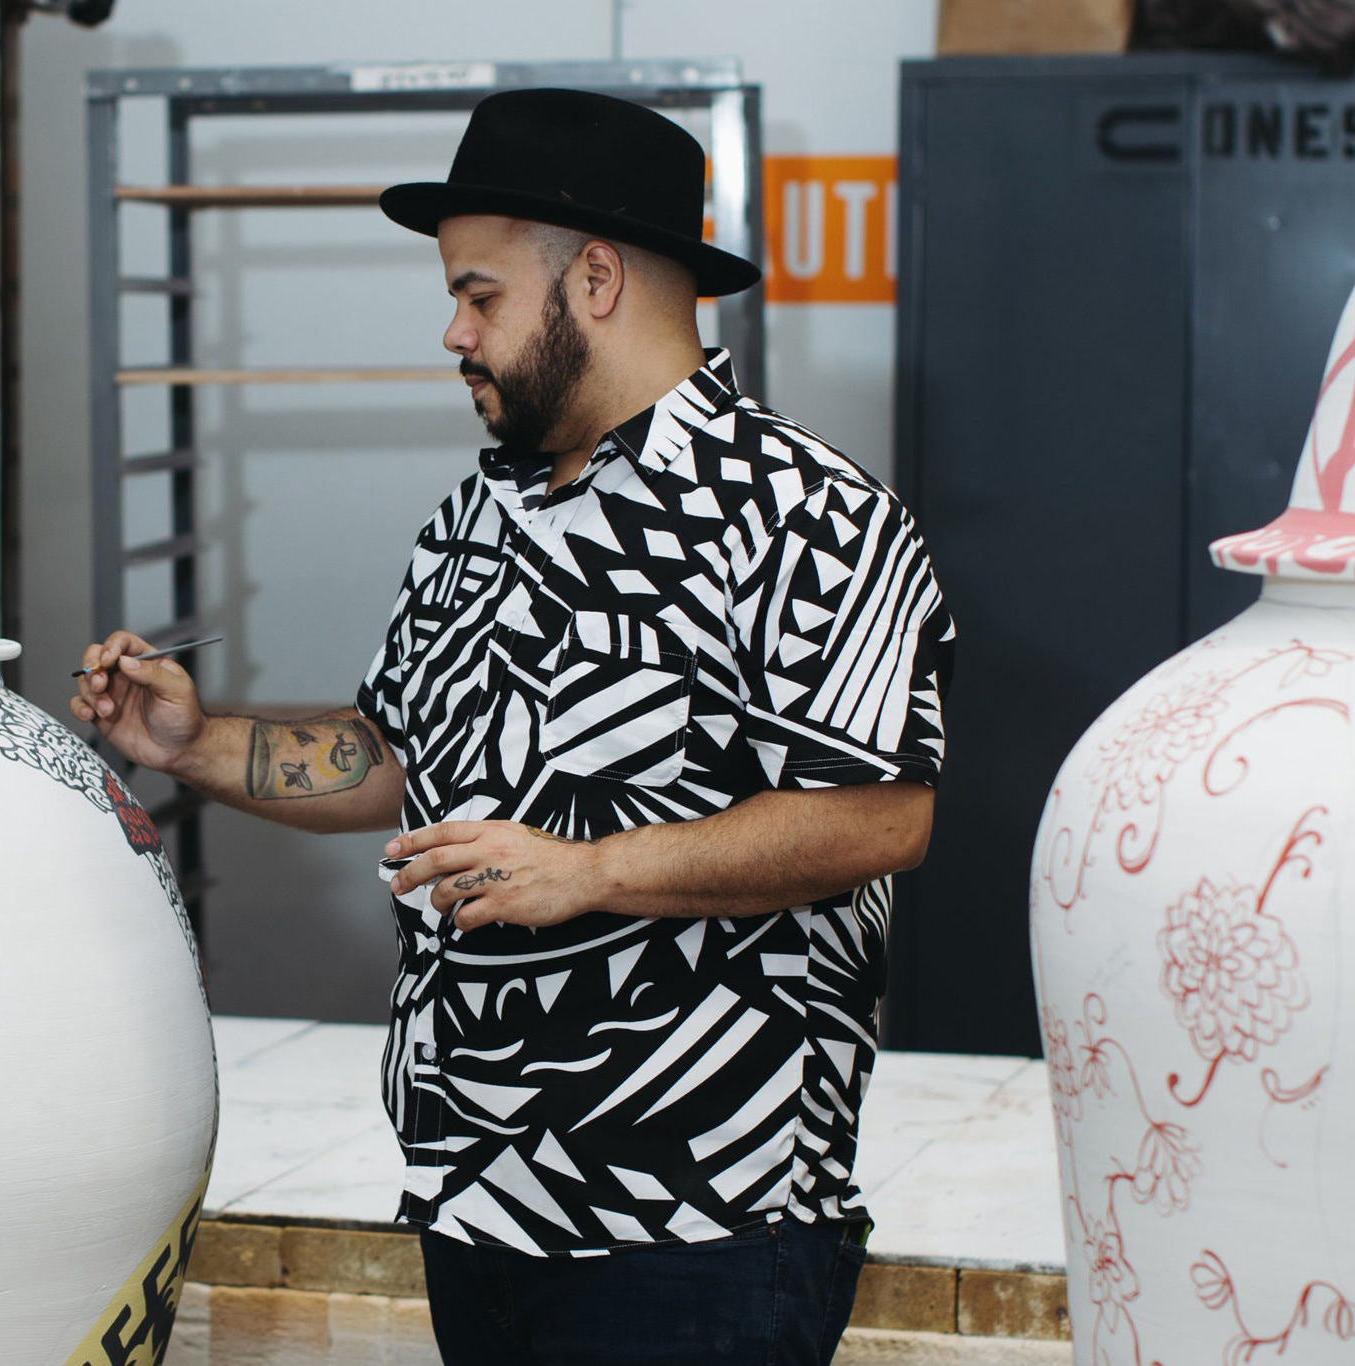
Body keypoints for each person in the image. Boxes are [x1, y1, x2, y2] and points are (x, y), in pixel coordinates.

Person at [71, 87, 955, 1366]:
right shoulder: (475, 514)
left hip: (698, 1228)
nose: (451, 330)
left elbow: (880, 812)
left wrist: (589, 871)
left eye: (478, 295)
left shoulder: (809, 514)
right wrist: (193, 746)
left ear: (593, 279)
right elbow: (392, 757)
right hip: (474, 1205)